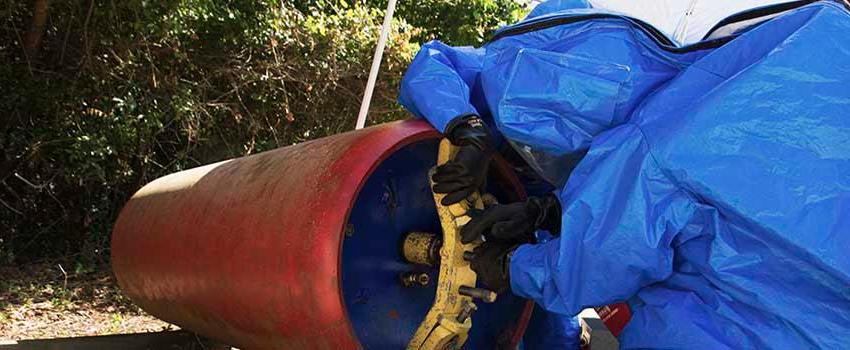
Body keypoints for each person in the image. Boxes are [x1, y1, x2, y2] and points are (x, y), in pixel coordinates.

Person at [398, 0, 850, 348]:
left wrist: (515, 267)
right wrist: (468, 127)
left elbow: (626, 224)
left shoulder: (655, 128)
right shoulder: (815, 42)